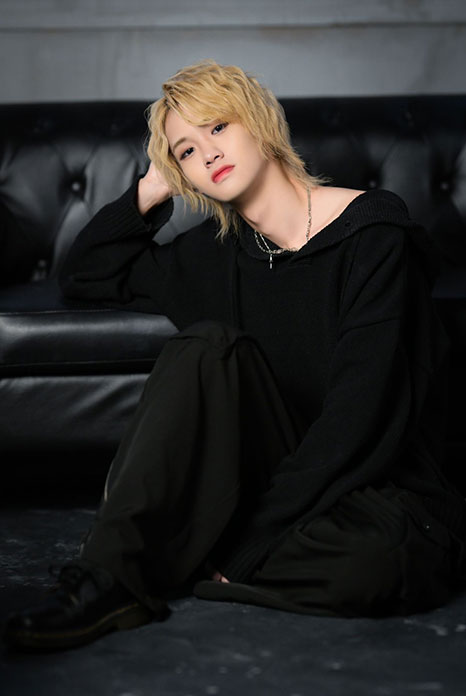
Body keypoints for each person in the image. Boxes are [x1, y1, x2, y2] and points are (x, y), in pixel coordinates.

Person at [4, 59, 466, 652]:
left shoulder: (374, 235)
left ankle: (199, 552)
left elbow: (362, 415)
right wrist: (153, 186)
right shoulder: (211, 256)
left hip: (372, 478)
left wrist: (253, 538)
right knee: (206, 347)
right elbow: (88, 271)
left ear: (260, 122)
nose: (209, 154)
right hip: (273, 475)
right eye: (187, 151)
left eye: (218, 126)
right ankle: (107, 578)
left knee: (381, 563)